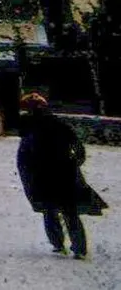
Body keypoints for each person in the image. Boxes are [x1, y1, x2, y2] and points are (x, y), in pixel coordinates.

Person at [18, 92, 106, 259]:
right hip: (64, 174)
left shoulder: (31, 131)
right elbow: (79, 150)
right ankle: (78, 248)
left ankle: (58, 244)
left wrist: (30, 177)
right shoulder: (60, 125)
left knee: (50, 211)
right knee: (69, 212)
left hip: (43, 177)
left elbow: (24, 159)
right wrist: (72, 165)